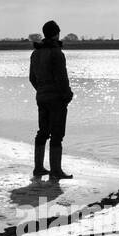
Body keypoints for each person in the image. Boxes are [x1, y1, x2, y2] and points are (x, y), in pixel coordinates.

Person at [29, 19, 73, 179]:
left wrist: (41, 90)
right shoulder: (56, 53)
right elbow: (62, 78)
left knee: (43, 132)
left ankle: (39, 168)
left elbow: (32, 78)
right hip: (56, 98)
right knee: (57, 134)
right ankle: (55, 171)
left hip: (41, 97)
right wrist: (67, 95)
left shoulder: (35, 53)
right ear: (56, 34)